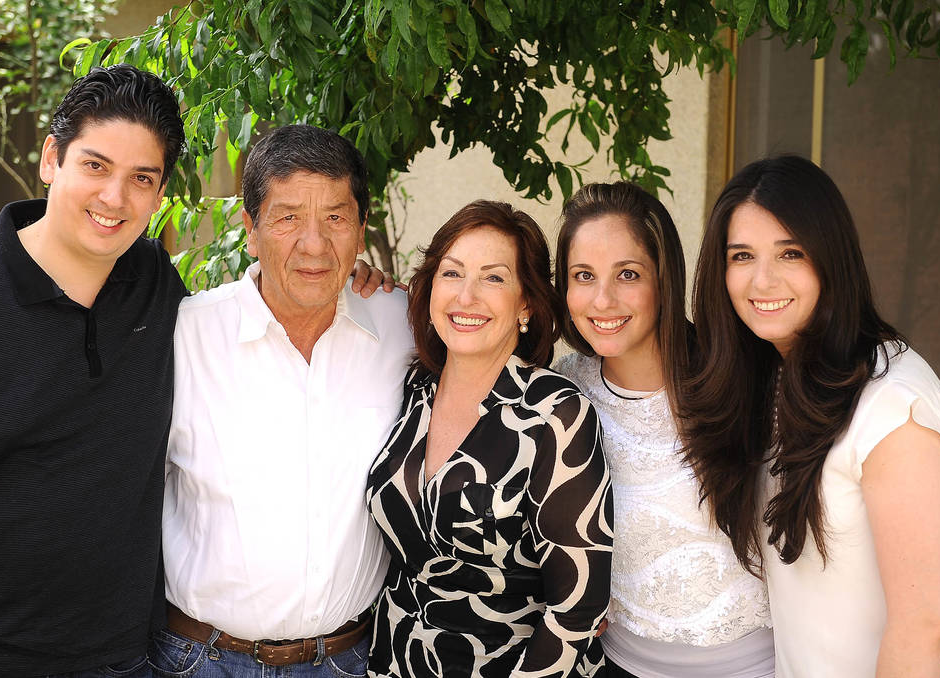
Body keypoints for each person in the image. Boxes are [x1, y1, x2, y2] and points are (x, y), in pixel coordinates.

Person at [0, 65, 186, 676]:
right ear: (52, 159)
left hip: (127, 658)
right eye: (95, 166)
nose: (114, 198)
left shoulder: (156, 284)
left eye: (141, 178)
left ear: (159, 194)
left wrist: (349, 286)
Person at [153, 124, 414, 677]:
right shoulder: (183, 336)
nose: (314, 245)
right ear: (250, 230)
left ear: (361, 229)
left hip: (348, 660)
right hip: (203, 661)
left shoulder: (405, 326)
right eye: (288, 218)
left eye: (335, 219)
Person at [683, 155, 940, 677]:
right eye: (742, 256)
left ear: (831, 259)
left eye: (791, 253)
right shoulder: (777, 378)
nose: (762, 280)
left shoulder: (890, 404)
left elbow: (926, 623)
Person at [365, 200, 615, 678]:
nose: (466, 296)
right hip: (391, 662)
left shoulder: (556, 414)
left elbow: (577, 610)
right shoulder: (412, 388)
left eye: (493, 278)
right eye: (452, 273)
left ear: (526, 303)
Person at [551, 182, 774, 678]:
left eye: (627, 274)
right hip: (616, 666)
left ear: (664, 280)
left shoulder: (739, 377)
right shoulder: (562, 392)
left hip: (755, 669)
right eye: (583, 276)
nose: (603, 299)